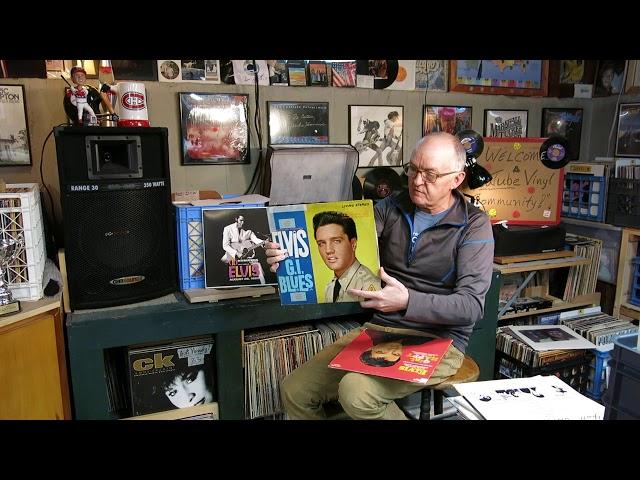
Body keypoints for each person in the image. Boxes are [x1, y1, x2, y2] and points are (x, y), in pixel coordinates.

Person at [265, 131, 494, 420]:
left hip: (441, 340)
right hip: (381, 330)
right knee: (295, 389)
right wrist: (289, 254)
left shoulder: (474, 225)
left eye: (431, 175)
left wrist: (408, 301)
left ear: (457, 179)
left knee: (356, 392)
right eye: (413, 169)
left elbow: (471, 307)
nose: (417, 181)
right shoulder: (392, 207)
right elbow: (349, 241)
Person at [312, 210, 380, 303]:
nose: (328, 250)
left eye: (336, 241)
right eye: (321, 243)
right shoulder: (330, 288)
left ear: (353, 244)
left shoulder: (369, 285)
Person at [359, 330, 426, 367]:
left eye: (381, 352)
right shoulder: (419, 341)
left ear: (370, 348)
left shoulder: (375, 332)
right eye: (396, 354)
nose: (392, 349)